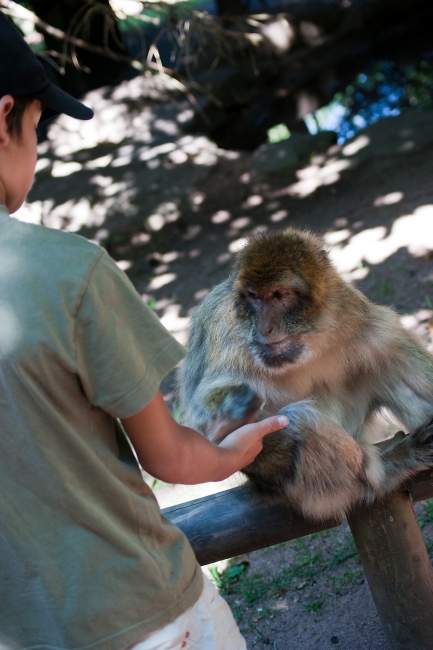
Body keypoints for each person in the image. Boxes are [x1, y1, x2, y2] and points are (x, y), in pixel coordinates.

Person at [0, 12, 289, 650]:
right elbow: (172, 458)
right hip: (144, 615)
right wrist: (234, 452)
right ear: (2, 119)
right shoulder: (67, 273)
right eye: (37, 124)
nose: (38, 145)